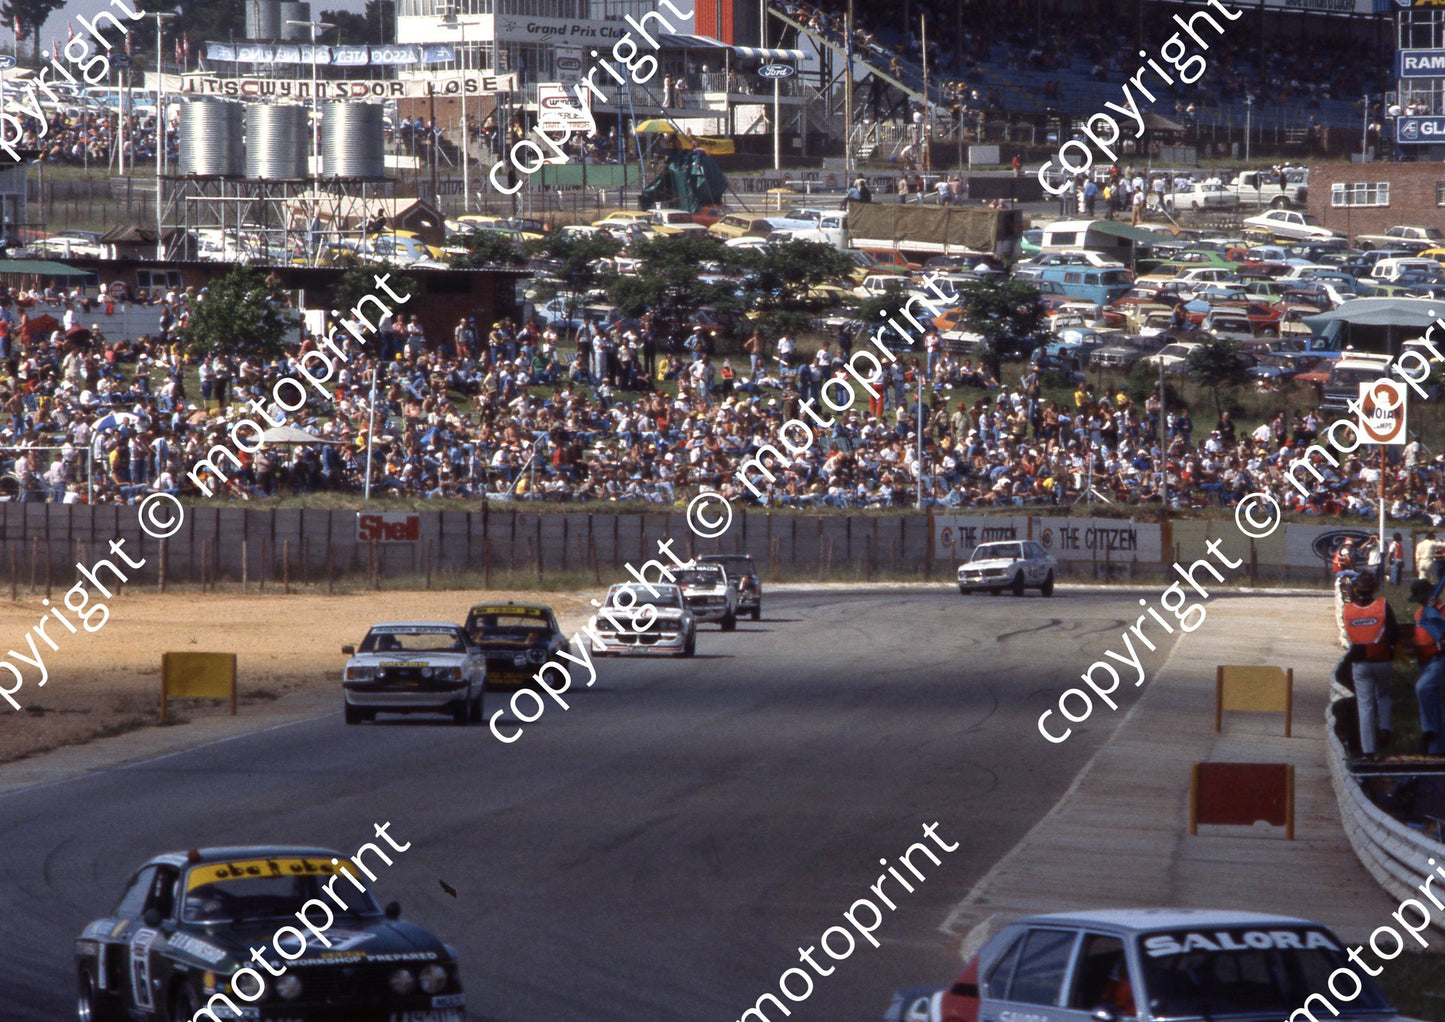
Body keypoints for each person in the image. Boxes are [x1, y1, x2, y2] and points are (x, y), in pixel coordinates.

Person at [1343, 571, 1397, 757]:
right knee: (1383, 695)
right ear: (1374, 588)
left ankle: (1368, 750)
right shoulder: (1382, 605)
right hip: (1382, 658)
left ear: (1355, 590)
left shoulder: (1348, 610)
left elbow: (1348, 636)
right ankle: (1385, 727)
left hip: (1360, 661)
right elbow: (1394, 632)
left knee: (1365, 705)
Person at [1410, 577, 1445, 756]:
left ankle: (1428, 731)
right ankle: (1437, 747)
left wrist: (1434, 612)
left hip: (1439, 658)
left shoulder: (1442, 610)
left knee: (1422, 688)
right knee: (1433, 701)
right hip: (1424, 660)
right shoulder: (1419, 613)